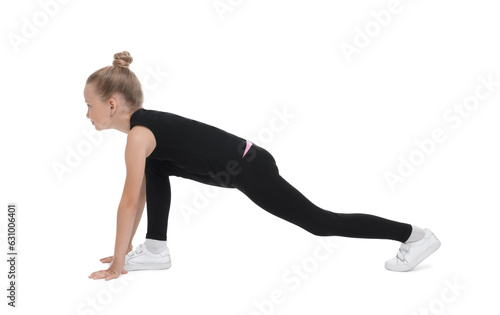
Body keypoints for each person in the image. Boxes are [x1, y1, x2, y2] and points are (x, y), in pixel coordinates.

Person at [87, 51, 440, 281]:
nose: (88, 113)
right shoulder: (144, 134)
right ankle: (155, 248)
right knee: (157, 166)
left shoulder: (139, 136)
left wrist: (119, 263)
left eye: (90, 105)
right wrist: (124, 251)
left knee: (320, 222)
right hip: (239, 164)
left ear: (113, 104)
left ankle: (415, 236)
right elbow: (145, 194)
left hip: (248, 167)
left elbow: (129, 202)